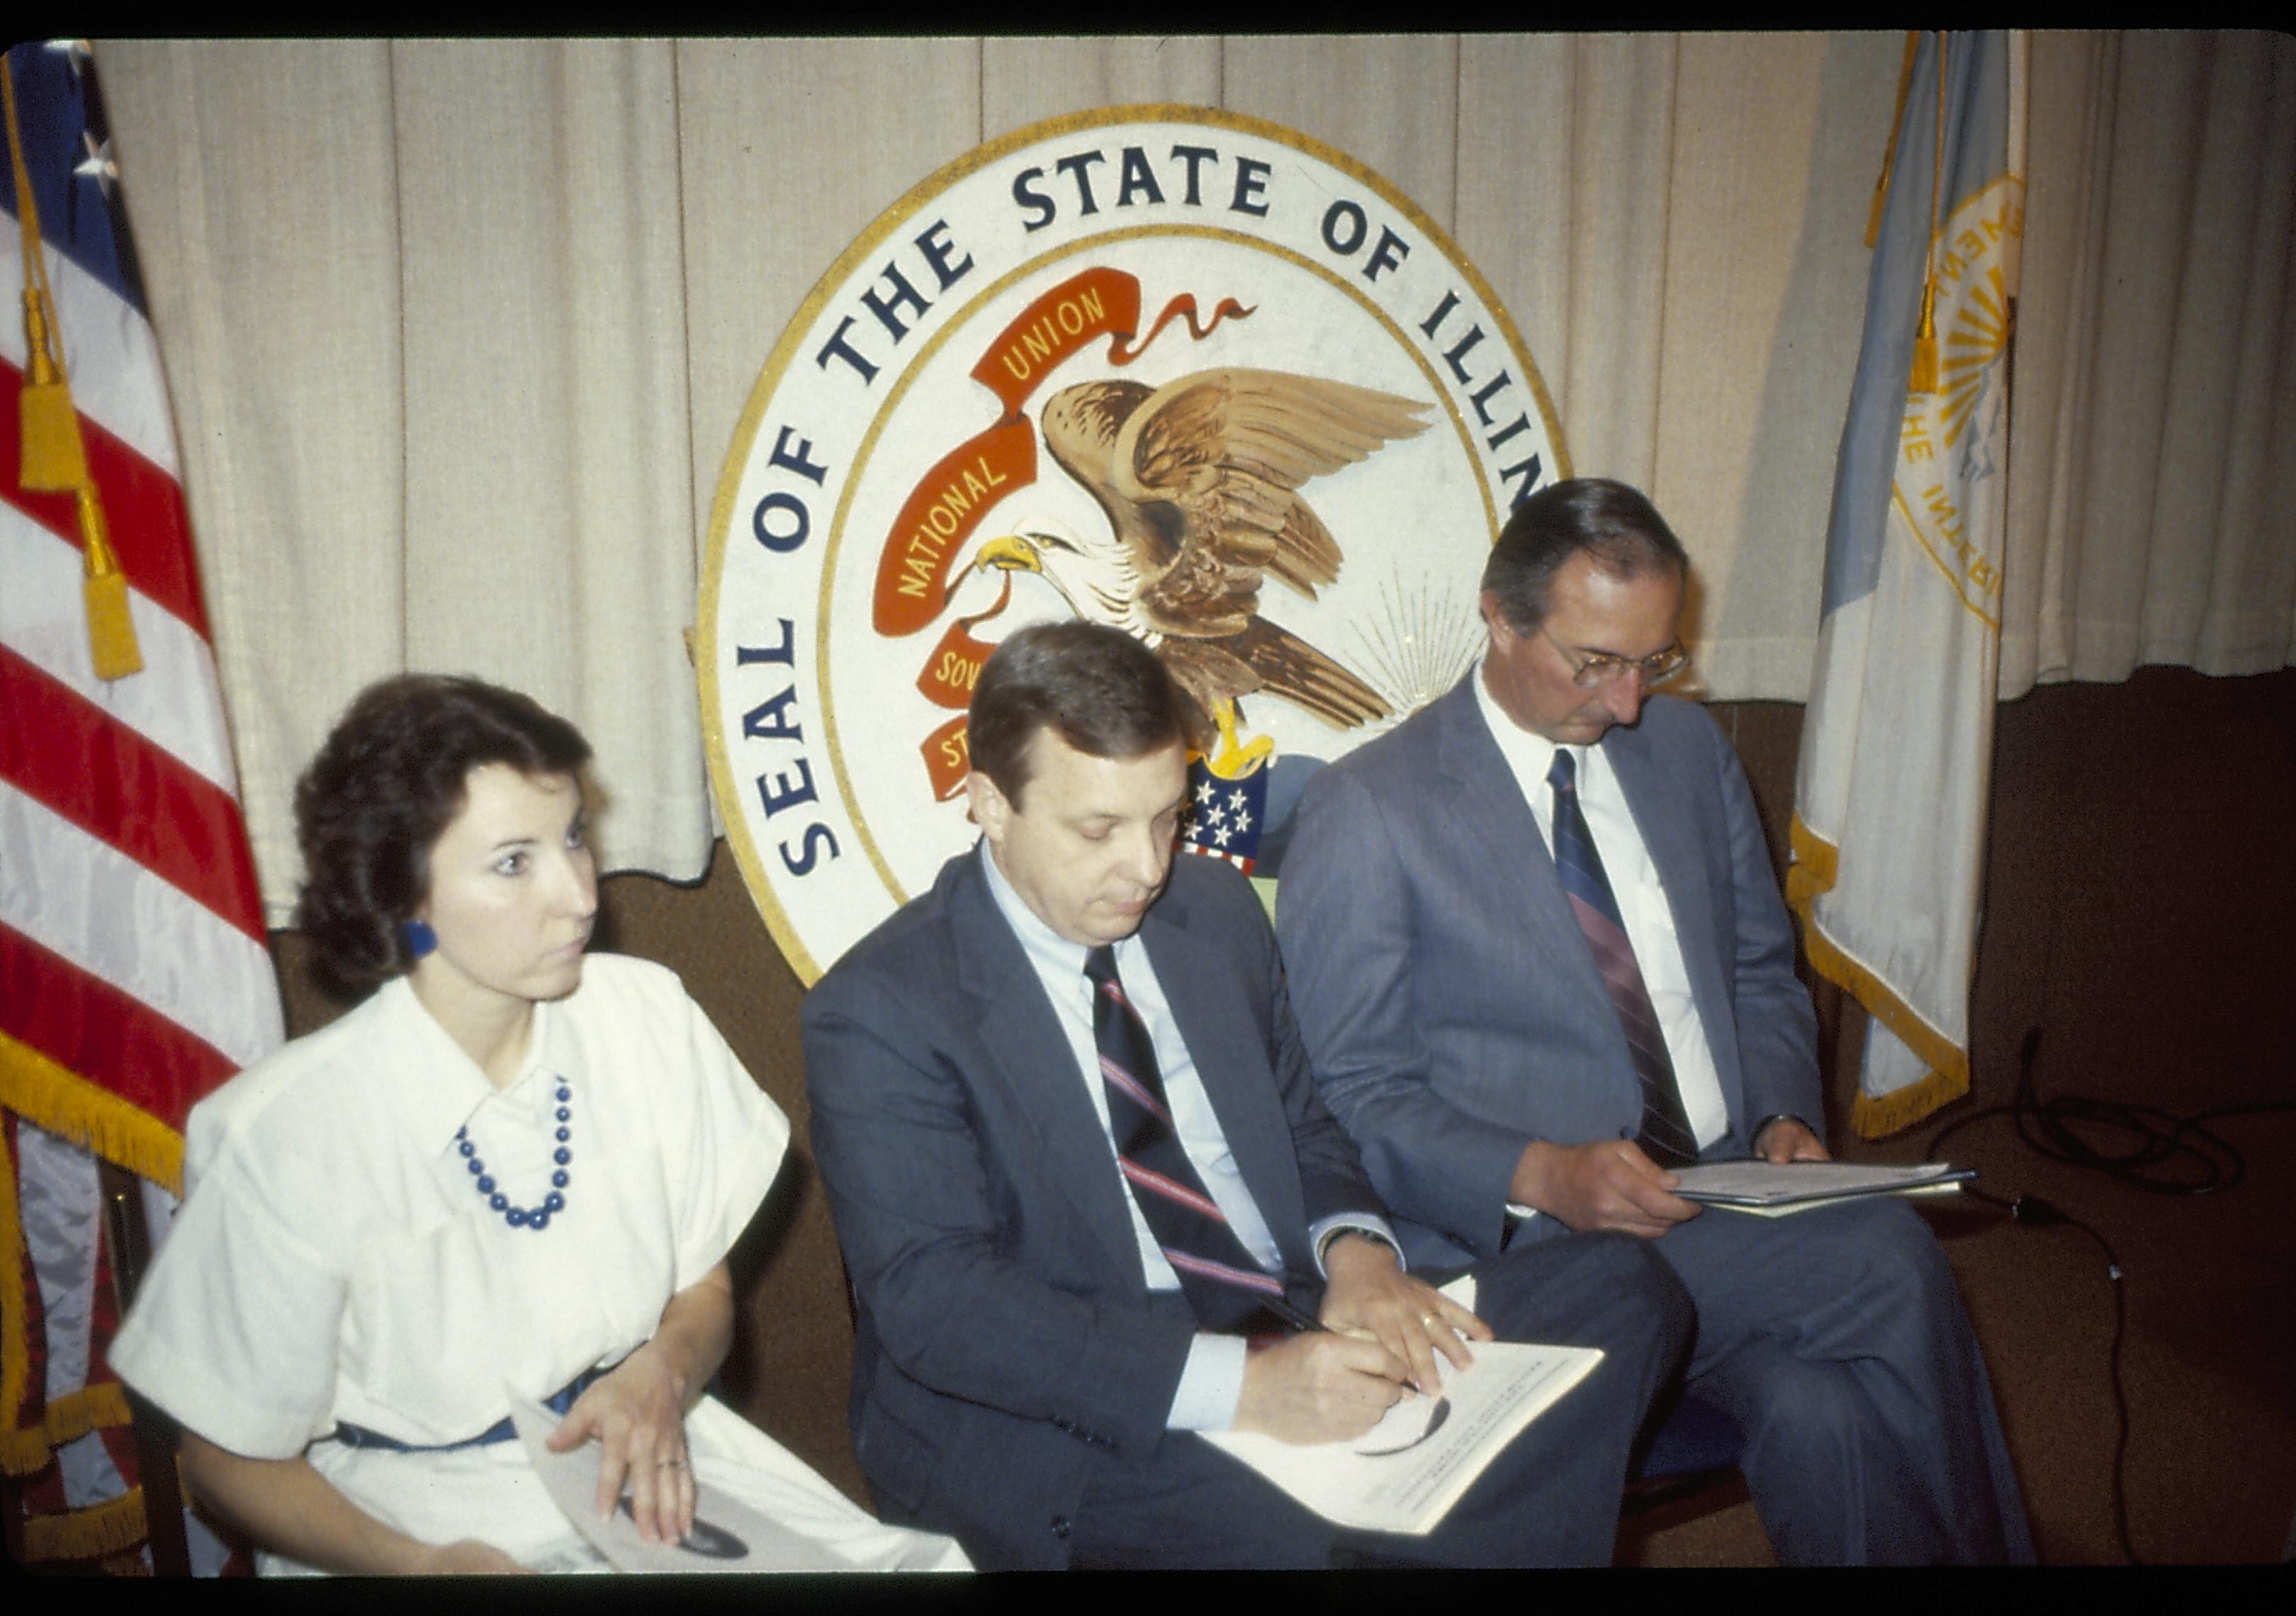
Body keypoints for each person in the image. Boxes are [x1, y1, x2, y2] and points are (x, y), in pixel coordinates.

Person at [800, 621, 1693, 1570]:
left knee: (1625, 1291)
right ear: (988, 803)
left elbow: (1306, 1125)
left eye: (1165, 816)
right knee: (1315, 1536)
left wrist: (1358, 1257)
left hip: (1297, 1309)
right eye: (1099, 829)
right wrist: (1244, 1390)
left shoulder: (1213, 913)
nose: (1146, 868)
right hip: (1077, 1404)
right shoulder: (881, 1008)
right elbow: (941, 1308)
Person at [1276, 478, 2034, 1564]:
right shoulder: (1372, 809)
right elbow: (1353, 1094)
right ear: (1499, 614)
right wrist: (1540, 1171)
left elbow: (1761, 973)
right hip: (1548, 1257)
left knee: (1826, 1412)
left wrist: (1779, 1112)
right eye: (1595, 663)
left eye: (1654, 661)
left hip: (1733, 1194)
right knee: (1885, 1258)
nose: (1629, 702)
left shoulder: (1686, 755)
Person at [108, 675, 967, 1575]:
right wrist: (422, 1567)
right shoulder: (287, 1131)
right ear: (404, 896)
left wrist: (663, 1374)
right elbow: (222, 1459)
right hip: (402, 1519)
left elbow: (702, 1294)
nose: (578, 896)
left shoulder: (644, 1016)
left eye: (573, 839)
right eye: (514, 863)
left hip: (645, 1456)